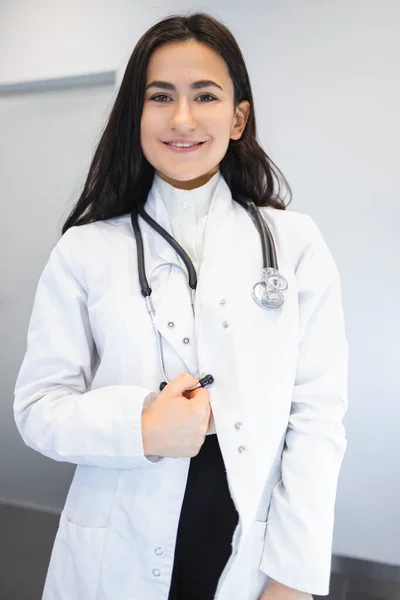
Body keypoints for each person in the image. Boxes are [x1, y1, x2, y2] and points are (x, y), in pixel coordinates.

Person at [13, 11, 348, 600]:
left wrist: (291, 577)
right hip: (114, 549)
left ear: (238, 117)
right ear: (135, 115)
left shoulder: (294, 245)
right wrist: (140, 427)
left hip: (248, 550)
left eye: (206, 96)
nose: (183, 118)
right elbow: (38, 408)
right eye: (160, 96)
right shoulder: (85, 250)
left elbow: (317, 418)